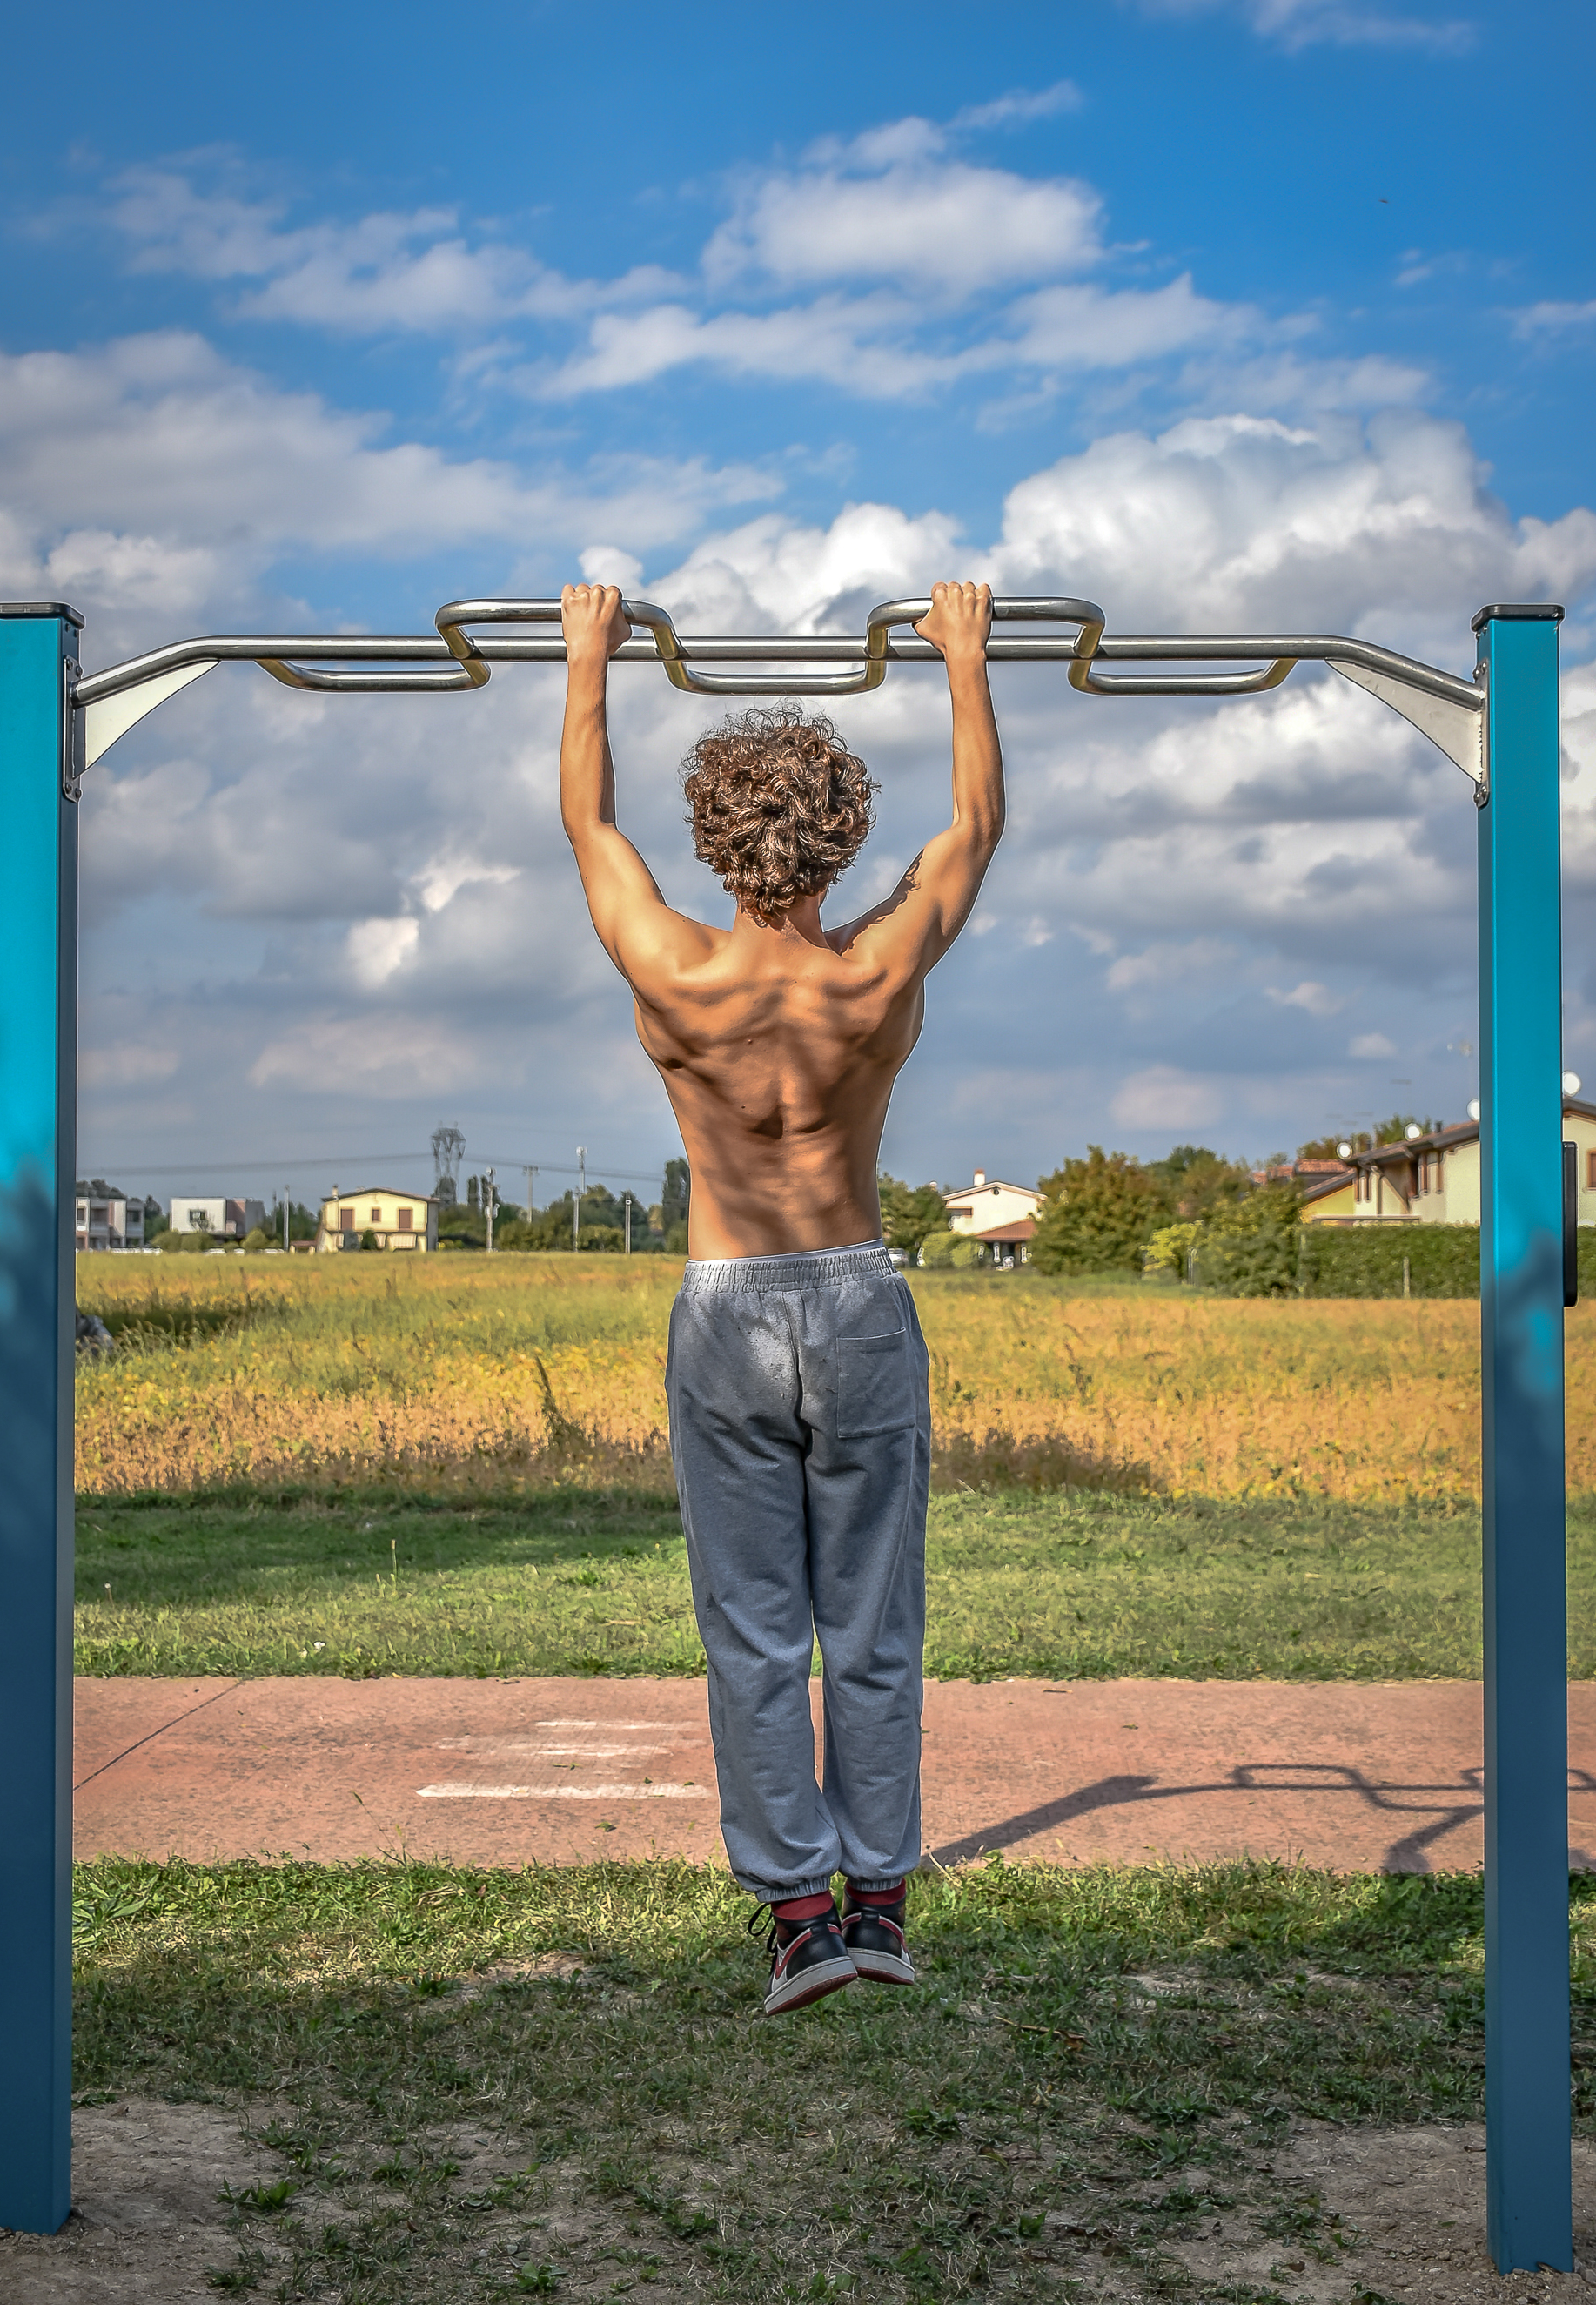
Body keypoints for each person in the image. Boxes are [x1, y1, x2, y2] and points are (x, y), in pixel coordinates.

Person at [557, 579, 1003, 2013]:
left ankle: (803, 1921)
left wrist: (586, 660)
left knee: (755, 1624)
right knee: (870, 1620)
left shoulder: (675, 968)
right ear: (843, 837)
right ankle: (879, 1904)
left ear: (712, 842)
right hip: (860, 1296)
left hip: (729, 1295)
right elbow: (976, 831)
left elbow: (587, 825)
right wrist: (965, 660)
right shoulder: (876, 968)